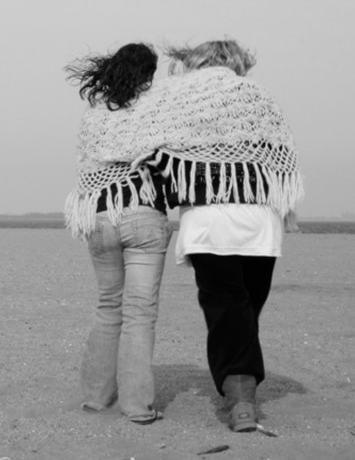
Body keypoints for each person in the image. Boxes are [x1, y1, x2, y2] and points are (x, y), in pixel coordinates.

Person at [83, 39, 304, 432]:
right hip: (258, 224)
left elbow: (147, 143)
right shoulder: (257, 97)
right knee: (241, 310)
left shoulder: (172, 100)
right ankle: (234, 395)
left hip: (186, 221)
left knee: (219, 309)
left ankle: (102, 398)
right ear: (238, 63)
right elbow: (278, 159)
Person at [63, 42, 172, 425]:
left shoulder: (95, 114)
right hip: (142, 214)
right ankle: (137, 406)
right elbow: (168, 159)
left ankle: (95, 398)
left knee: (109, 305)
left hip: (99, 216)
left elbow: (90, 167)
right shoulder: (155, 108)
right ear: (148, 74)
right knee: (139, 313)